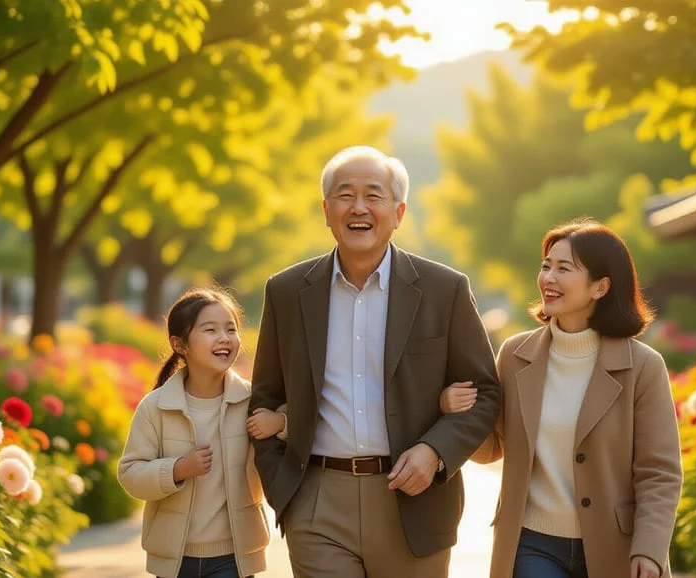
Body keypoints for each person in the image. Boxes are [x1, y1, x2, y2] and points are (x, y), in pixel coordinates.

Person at [250, 145, 501, 577]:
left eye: (374, 195)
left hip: (415, 499)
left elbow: (485, 394)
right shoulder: (287, 291)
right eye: (345, 195)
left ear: (399, 212)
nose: (359, 207)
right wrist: (285, 492)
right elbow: (266, 396)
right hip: (317, 501)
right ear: (326, 210)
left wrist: (435, 452)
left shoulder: (445, 289)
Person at [443, 220, 682, 578]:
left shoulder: (643, 367)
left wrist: (649, 549)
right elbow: (492, 446)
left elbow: (659, 472)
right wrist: (453, 411)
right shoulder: (515, 355)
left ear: (601, 287)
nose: (548, 278)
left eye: (564, 269)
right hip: (532, 543)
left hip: (615, 545)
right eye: (546, 266)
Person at [119, 288, 279, 578]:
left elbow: (303, 431)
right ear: (180, 345)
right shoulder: (155, 407)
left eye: (231, 329)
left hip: (234, 557)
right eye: (210, 329)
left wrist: (279, 422)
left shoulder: (252, 401)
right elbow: (130, 475)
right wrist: (178, 469)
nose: (224, 338)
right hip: (175, 559)